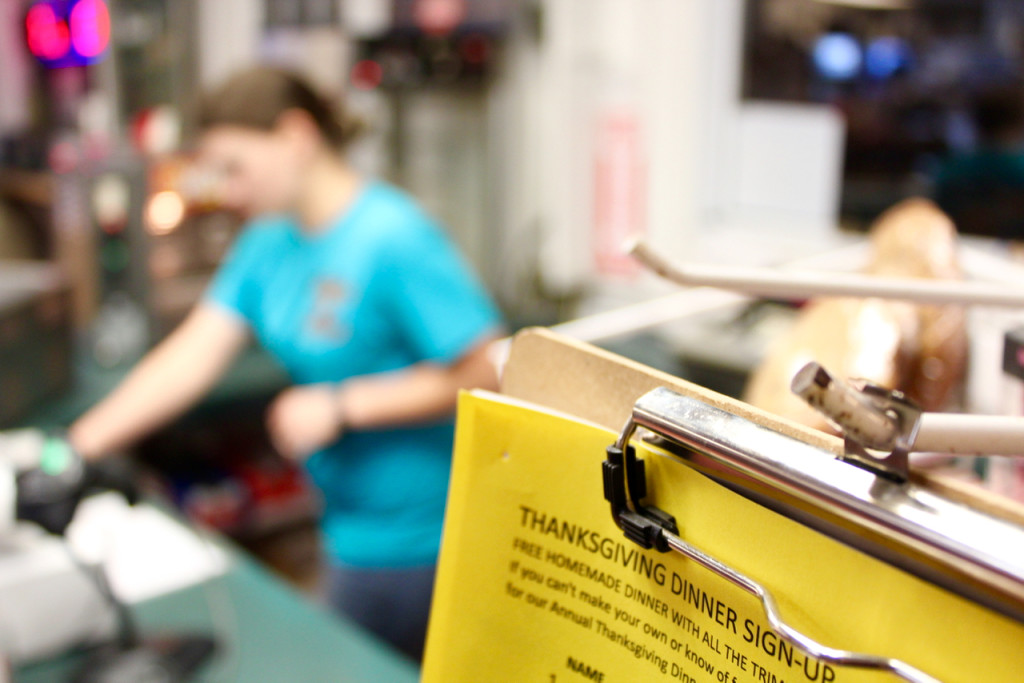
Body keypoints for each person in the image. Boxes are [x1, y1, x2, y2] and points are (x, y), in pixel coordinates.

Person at [68, 66, 504, 662]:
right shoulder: (267, 242)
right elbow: (190, 357)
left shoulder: (391, 236)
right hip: (345, 530)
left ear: (296, 136)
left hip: (425, 542)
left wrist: (343, 405)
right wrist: (76, 450)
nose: (228, 189)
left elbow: (489, 367)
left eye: (234, 167)